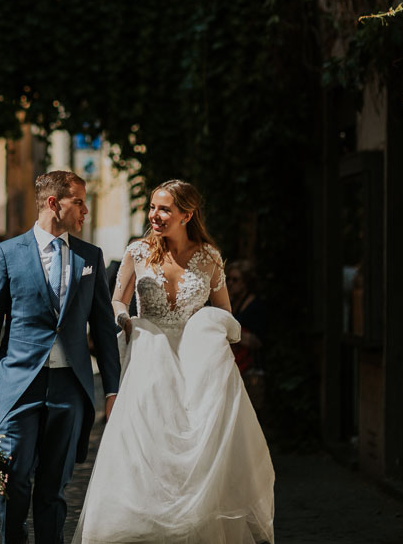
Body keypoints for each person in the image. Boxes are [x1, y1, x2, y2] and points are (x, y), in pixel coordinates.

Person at [72, 180, 275, 543]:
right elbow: (117, 300)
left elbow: (226, 315)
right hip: (149, 362)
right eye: (152, 207)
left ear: (187, 214)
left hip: (198, 370)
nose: (154, 215)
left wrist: (212, 338)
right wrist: (125, 321)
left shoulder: (210, 257)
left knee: (196, 452)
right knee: (147, 448)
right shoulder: (137, 251)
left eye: (164, 209)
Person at [0, 171, 121, 544]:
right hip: (19, 387)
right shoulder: (6, 254)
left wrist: (114, 389)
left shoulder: (90, 257)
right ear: (55, 203)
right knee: (14, 477)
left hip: (70, 387)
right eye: (79, 201)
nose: (85, 210)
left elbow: (102, 328)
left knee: (54, 487)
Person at [227, 259, 268, 412]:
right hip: (235, 366)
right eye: (228, 279)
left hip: (249, 368)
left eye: (235, 280)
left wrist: (230, 332)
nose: (230, 283)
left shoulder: (255, 306)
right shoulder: (233, 303)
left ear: (246, 282)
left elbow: (258, 341)